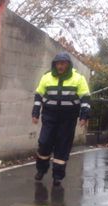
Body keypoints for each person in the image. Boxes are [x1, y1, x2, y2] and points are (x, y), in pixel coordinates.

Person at [31, 52, 91, 186]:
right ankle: (41, 169)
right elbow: (38, 95)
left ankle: (57, 176)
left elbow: (85, 99)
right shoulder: (46, 77)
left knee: (62, 146)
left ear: (68, 64)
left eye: (63, 63)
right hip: (49, 117)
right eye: (58, 63)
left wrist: (84, 116)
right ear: (54, 64)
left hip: (68, 119)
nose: (60, 66)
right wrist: (35, 113)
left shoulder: (78, 78)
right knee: (44, 142)